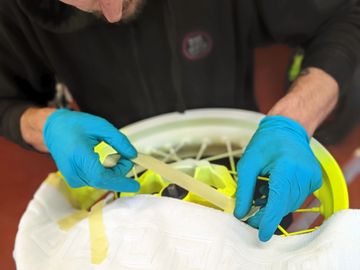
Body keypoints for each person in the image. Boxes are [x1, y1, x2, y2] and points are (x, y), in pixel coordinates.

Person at [0, 0, 359, 242]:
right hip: (127, 189)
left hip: (253, 165)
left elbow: (346, 14)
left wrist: (293, 120)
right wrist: (43, 125)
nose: (112, 13)